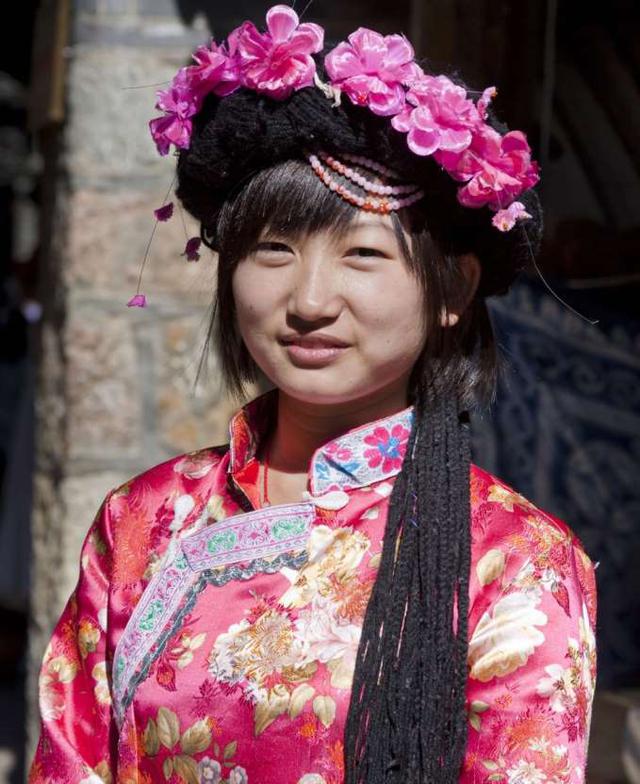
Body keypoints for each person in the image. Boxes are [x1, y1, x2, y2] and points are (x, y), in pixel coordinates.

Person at [29, 6, 598, 783]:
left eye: (362, 253)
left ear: (452, 288)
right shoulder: (145, 520)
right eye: (274, 250)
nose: (309, 299)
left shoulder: (515, 560)